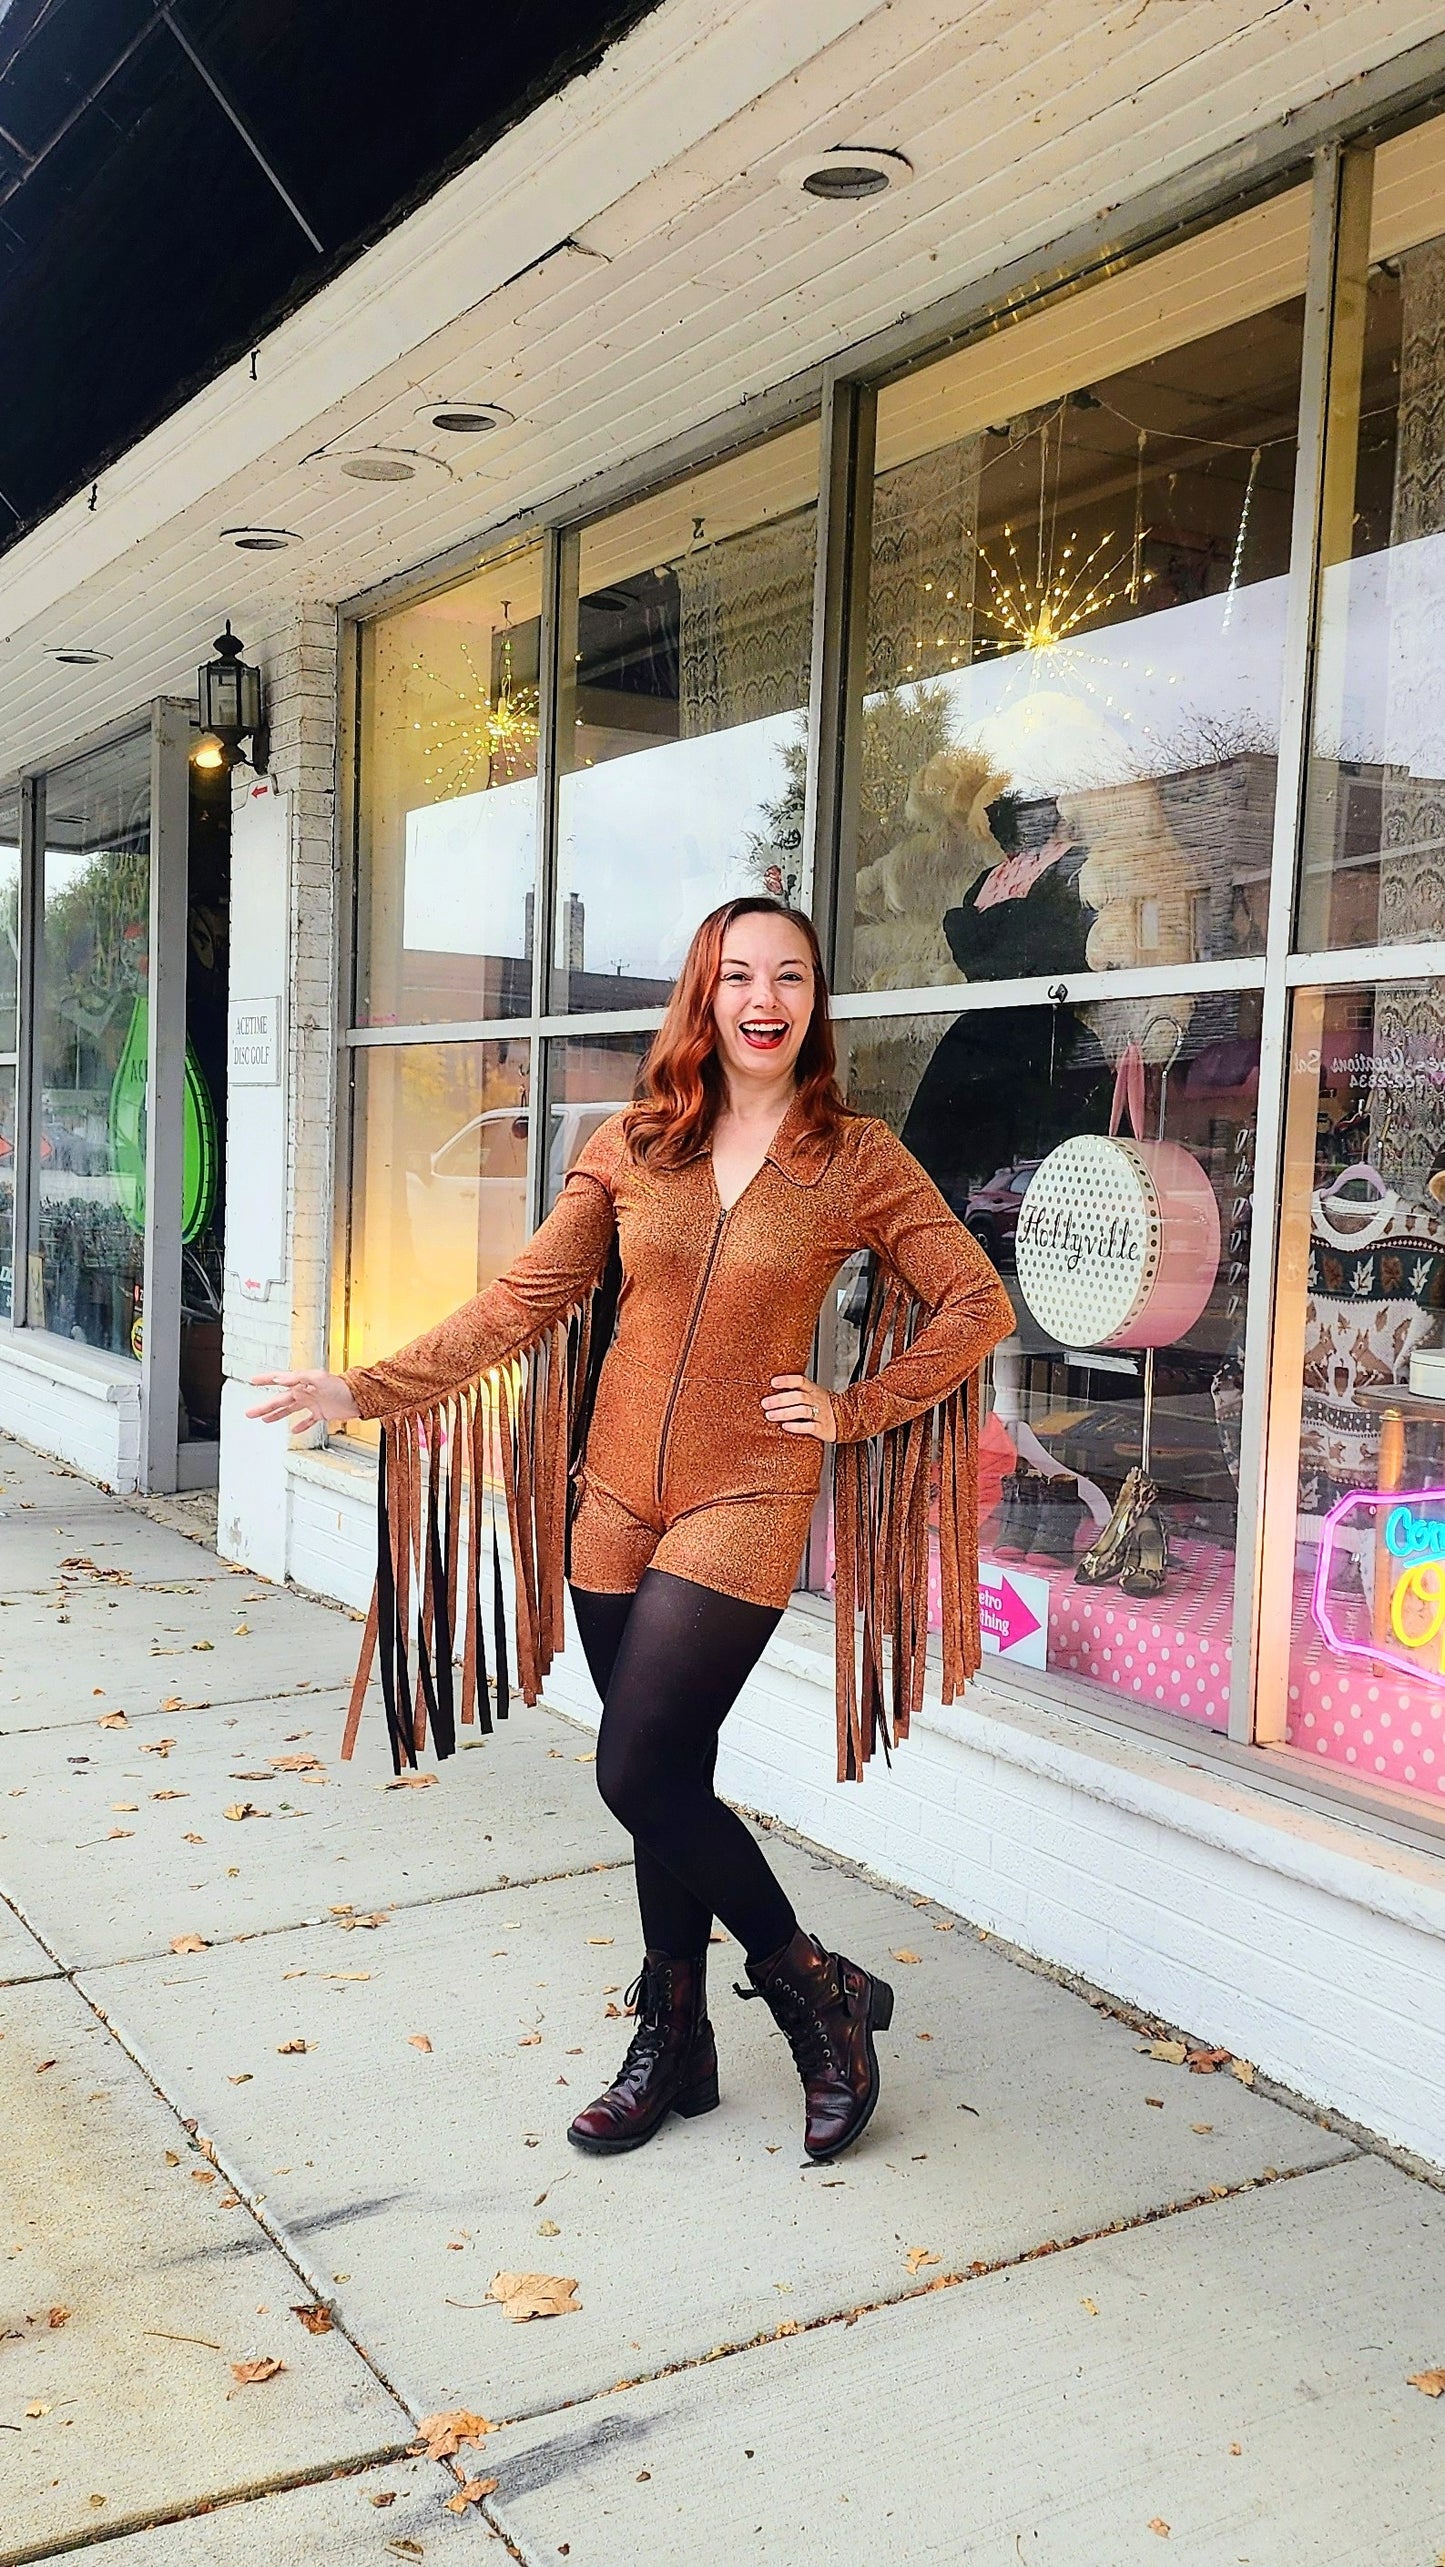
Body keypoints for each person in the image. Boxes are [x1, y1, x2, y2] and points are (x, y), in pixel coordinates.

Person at [249, 899, 1012, 2164]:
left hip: (746, 1495)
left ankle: (811, 1992)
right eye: (739, 974)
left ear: (812, 1001)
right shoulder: (632, 1143)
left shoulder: (855, 1156)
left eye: (790, 976)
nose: (764, 997)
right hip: (608, 1499)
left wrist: (853, 1406)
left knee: (633, 1769)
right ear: (702, 995)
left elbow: (971, 1300)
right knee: (670, 1775)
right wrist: (361, 1387)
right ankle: (676, 2036)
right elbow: (522, 1299)